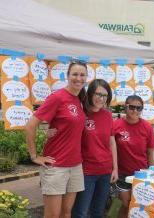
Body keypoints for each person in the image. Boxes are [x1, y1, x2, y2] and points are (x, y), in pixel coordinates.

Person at [25, 60, 87, 218]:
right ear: (67, 76)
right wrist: (35, 156)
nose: (78, 78)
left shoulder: (80, 99)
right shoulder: (57, 97)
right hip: (56, 165)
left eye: (82, 75)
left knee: (66, 213)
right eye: (75, 74)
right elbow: (31, 125)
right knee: (53, 215)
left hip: (75, 165)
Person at [72, 79, 118, 218]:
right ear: (90, 93)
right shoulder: (81, 113)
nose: (101, 98)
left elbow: (112, 143)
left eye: (104, 95)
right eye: (98, 94)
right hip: (86, 172)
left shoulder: (108, 115)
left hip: (105, 171)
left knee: (98, 212)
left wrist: (115, 168)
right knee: (81, 212)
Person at [114, 95, 154, 218]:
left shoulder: (147, 127)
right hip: (121, 174)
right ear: (125, 107)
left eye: (139, 108)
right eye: (132, 107)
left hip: (141, 174)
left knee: (138, 206)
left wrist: (151, 174)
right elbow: (110, 149)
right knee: (126, 204)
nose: (135, 111)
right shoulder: (116, 125)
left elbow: (150, 153)